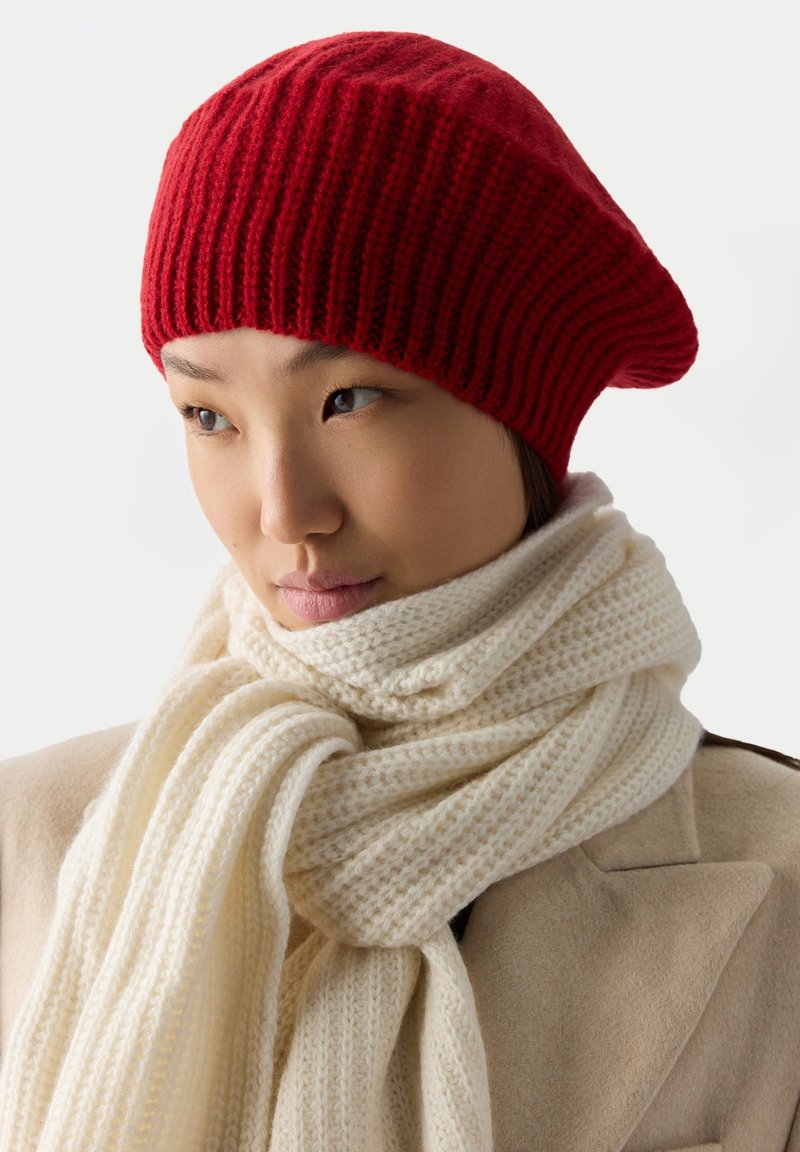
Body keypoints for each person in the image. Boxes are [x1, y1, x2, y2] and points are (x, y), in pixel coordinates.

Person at [0, 28, 798, 1152]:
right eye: (209, 416)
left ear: (521, 414)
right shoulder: (34, 839)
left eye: (351, 401)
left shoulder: (779, 868)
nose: (284, 512)